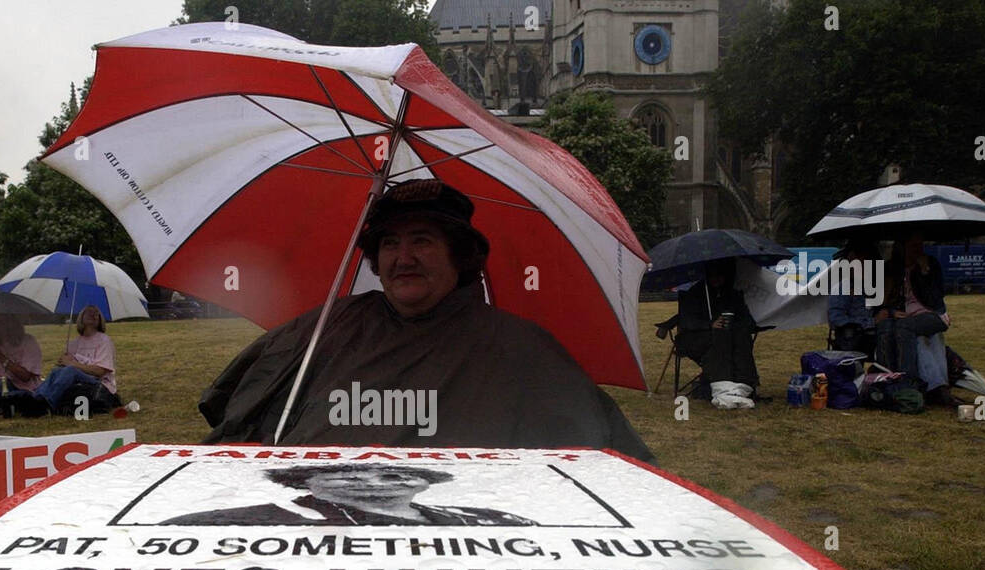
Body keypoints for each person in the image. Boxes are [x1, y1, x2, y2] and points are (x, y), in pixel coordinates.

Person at [198, 179, 653, 461]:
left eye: (423, 241)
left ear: (459, 254)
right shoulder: (327, 326)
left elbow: (604, 461)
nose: (404, 258)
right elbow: (236, 412)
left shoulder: (520, 348)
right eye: (390, 243)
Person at [165, 465, 538, 526]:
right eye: (348, 474)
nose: (374, 482)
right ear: (303, 483)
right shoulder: (226, 524)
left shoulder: (492, 520)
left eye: (393, 474)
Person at [657, 258, 759, 408]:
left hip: (728, 338)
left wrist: (732, 323)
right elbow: (687, 321)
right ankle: (723, 389)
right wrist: (710, 324)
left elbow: (747, 320)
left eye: (720, 275)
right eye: (712, 275)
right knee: (719, 336)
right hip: (696, 338)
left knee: (740, 334)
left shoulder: (734, 295)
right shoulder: (695, 294)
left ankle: (743, 385)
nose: (716, 279)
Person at [875, 232, 957, 404]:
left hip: (931, 314)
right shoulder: (891, 269)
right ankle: (894, 379)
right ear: (901, 248)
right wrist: (890, 311)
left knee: (904, 327)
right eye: (913, 246)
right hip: (907, 317)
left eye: (920, 246)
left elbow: (936, 299)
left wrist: (925, 272)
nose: (918, 250)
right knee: (897, 329)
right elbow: (882, 300)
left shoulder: (930, 264)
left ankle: (908, 381)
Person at [29, 305, 118, 414]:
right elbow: (63, 366)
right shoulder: (74, 343)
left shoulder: (104, 341)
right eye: (88, 312)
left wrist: (72, 364)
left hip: (99, 382)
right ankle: (35, 397)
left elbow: (99, 371)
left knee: (70, 370)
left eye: (96, 313)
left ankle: (48, 403)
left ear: (100, 320)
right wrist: (63, 361)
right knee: (56, 371)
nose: (93, 314)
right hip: (77, 381)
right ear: (81, 317)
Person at [827, 238, 879, 360]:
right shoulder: (842, 287)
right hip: (855, 340)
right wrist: (871, 322)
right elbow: (836, 319)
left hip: (874, 336)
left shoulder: (871, 286)